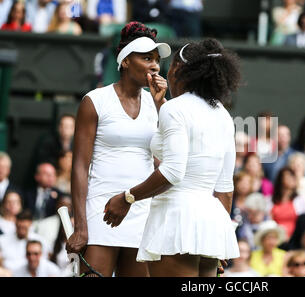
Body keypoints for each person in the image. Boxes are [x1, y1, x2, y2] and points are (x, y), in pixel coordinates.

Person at [102, 38, 241, 277]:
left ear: (178, 70)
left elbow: (174, 172)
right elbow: (225, 188)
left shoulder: (175, 110)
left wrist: (127, 198)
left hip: (177, 221)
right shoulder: (222, 114)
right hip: (211, 223)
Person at [65, 21, 171, 277]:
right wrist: (80, 226)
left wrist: (162, 108)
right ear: (125, 61)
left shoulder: (159, 104)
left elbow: (171, 159)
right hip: (100, 212)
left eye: (156, 60)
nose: (155, 66)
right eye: (147, 58)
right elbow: (80, 165)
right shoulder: (95, 101)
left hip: (141, 213)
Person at [270, 168, 304, 239]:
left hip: (294, 239)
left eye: (292, 176)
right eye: (287, 176)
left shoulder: (300, 200)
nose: (290, 179)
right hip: (275, 237)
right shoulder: (271, 200)